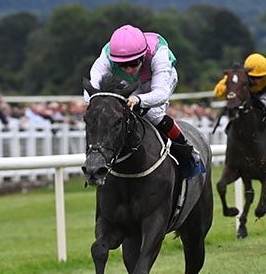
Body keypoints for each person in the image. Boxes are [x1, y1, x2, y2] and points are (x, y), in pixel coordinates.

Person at [85, 24, 198, 177]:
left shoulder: (159, 54)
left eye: (133, 63)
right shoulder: (106, 57)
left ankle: (187, 151)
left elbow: (161, 93)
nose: (129, 70)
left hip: (157, 81)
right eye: (122, 65)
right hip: (130, 84)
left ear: (143, 56)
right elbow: (92, 89)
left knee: (154, 115)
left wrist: (138, 100)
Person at [213, 53, 266, 138]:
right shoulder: (242, 72)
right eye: (252, 77)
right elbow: (218, 92)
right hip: (250, 93)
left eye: (259, 77)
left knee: (265, 104)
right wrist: (229, 87)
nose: (255, 81)